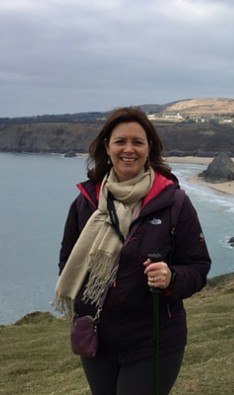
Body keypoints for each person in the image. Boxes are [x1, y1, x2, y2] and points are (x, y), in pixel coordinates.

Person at [53, 107, 211, 394]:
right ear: (107, 147)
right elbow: (68, 265)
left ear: (149, 148)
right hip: (98, 340)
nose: (129, 149)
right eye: (120, 141)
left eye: (137, 142)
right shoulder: (85, 203)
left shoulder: (174, 202)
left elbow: (198, 267)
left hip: (154, 341)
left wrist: (171, 278)